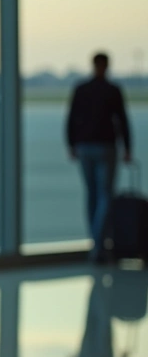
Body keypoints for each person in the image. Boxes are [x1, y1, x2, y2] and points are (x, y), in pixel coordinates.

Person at [66, 52, 133, 262]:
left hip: (85, 146)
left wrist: (71, 144)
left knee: (92, 194)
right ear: (107, 66)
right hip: (106, 146)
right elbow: (122, 120)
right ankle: (98, 244)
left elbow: (71, 118)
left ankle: (96, 242)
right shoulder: (113, 91)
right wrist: (127, 147)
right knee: (105, 195)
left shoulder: (81, 89)